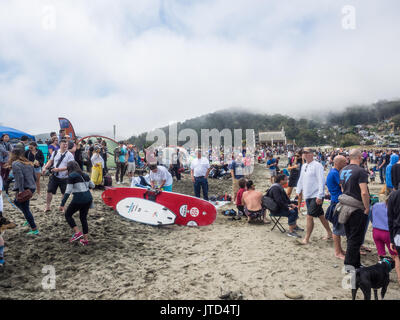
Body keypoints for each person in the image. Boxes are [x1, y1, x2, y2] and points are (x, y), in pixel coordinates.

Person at [339, 149, 370, 270]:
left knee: (350, 236)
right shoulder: (360, 171)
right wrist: (367, 207)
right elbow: (364, 192)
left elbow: (342, 188)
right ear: (358, 157)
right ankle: (350, 265)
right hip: (356, 207)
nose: (362, 158)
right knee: (355, 238)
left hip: (345, 204)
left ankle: (356, 263)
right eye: (361, 156)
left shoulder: (343, 170)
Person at [296, 148, 332, 245]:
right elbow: (301, 179)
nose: (306, 154)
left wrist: (320, 195)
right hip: (307, 195)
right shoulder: (304, 166)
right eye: (304, 153)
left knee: (309, 216)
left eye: (308, 153)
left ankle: (306, 239)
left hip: (316, 195)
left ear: (312, 154)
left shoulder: (318, 165)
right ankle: (329, 233)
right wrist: (298, 190)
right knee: (320, 215)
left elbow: (321, 181)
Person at [59, 161, 94, 246]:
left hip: (79, 199)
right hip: (88, 199)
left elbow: (68, 191)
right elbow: (93, 185)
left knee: (68, 215)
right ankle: (85, 240)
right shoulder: (85, 175)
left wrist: (62, 204)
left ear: (69, 168)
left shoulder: (71, 176)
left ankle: (77, 232)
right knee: (83, 218)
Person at [7, 149, 39, 235]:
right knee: (18, 203)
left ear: (13, 155)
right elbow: (35, 177)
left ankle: (34, 228)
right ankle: (28, 219)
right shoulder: (29, 163)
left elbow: (20, 177)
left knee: (25, 208)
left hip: (24, 188)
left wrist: (21, 190)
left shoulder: (15, 164)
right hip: (31, 187)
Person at [42, 139, 75, 212]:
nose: (65, 146)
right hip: (54, 175)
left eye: (66, 144)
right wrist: (45, 167)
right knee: (49, 191)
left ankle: (62, 206)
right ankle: (47, 206)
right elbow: (50, 161)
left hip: (64, 177)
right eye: (64, 144)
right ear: (60, 145)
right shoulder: (55, 152)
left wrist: (59, 169)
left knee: (64, 193)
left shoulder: (69, 155)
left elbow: (70, 167)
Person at [325, 155, 347, 260]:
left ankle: (340, 250)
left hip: (335, 200)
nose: (346, 164)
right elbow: (343, 186)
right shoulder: (334, 173)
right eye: (344, 163)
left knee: (338, 227)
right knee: (337, 229)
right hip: (337, 202)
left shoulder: (332, 172)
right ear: (338, 163)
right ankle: (337, 252)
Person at [371, 197, 398, 261]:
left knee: (381, 253)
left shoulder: (376, 205)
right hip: (388, 233)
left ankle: (381, 266)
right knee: (394, 254)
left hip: (375, 231)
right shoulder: (393, 209)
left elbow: (371, 218)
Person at [388, 189, 400, 284]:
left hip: (398, 234)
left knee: (398, 258)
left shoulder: (393, 195)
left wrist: (391, 239)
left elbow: (390, 219)